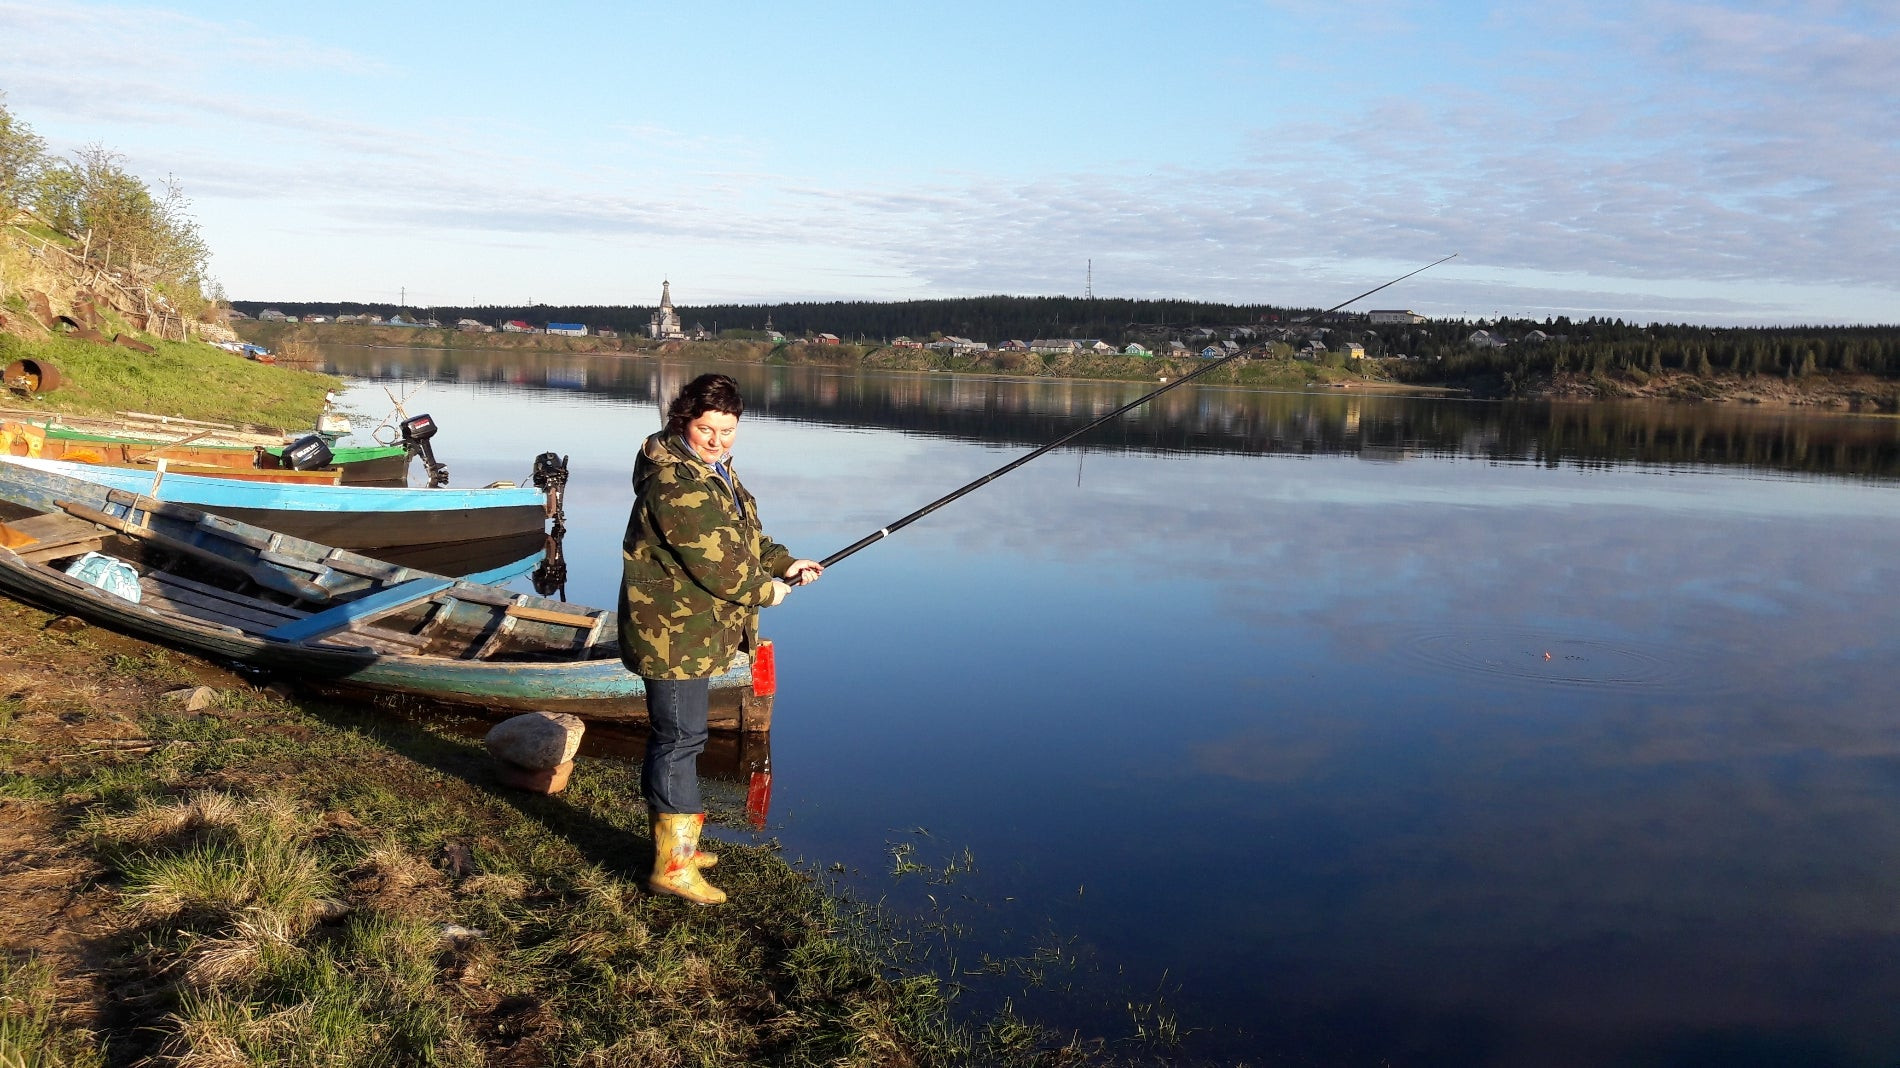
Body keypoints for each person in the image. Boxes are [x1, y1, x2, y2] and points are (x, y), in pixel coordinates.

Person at [618, 373, 821, 904]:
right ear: (682, 422)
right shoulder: (676, 485)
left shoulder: (713, 471)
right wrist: (766, 591)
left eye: (728, 430)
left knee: (681, 738)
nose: (718, 440)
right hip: (673, 634)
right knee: (680, 740)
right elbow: (722, 567)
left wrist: (784, 562)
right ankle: (673, 865)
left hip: (693, 630)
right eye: (706, 429)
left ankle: (676, 844)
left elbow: (746, 538)